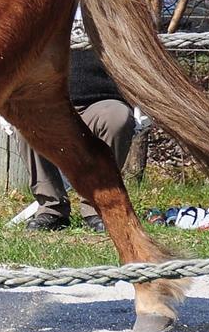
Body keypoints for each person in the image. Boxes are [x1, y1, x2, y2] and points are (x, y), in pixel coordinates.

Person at [24, 45, 136, 232]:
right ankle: (52, 209)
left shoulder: (109, 16)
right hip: (50, 101)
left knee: (118, 117)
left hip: (102, 101)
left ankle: (98, 207)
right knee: (27, 118)